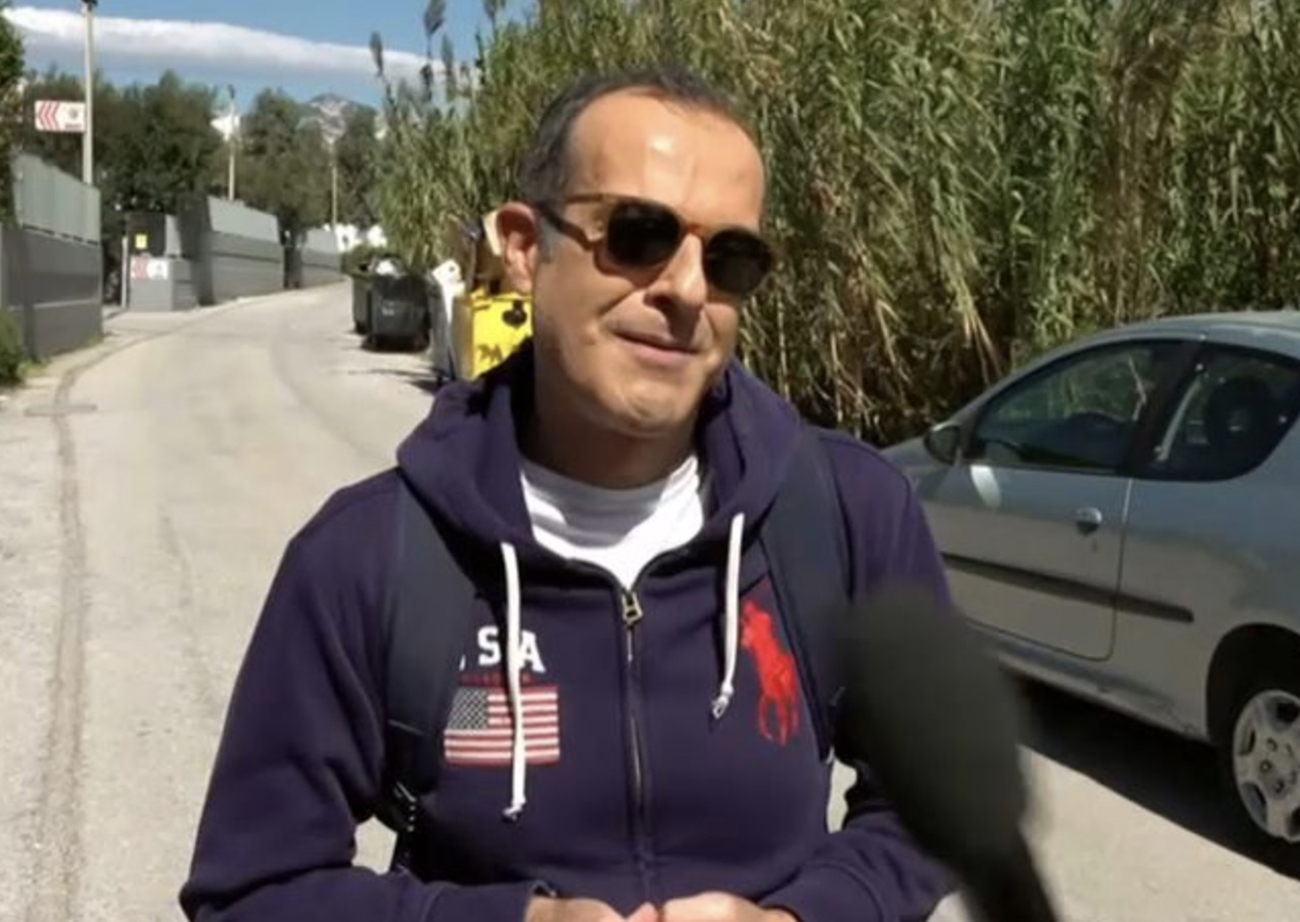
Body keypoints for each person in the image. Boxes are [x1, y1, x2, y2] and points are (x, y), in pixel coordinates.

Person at [179, 66, 956, 922]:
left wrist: (803, 918)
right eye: (638, 234)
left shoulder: (848, 518)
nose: (687, 290)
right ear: (524, 249)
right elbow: (253, 888)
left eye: (729, 258)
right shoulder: (367, 558)